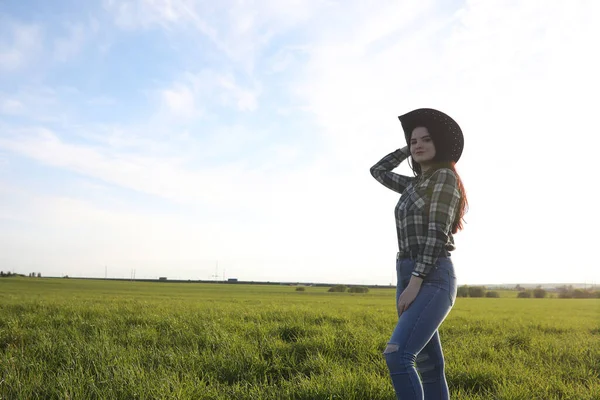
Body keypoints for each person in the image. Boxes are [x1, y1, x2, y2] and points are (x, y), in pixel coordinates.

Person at [369, 108, 468, 400]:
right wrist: (405, 148)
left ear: (439, 144)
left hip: (432, 275)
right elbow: (378, 171)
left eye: (426, 139)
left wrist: (415, 282)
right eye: (414, 141)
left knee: (397, 355)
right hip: (407, 270)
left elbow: (436, 233)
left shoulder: (444, 179)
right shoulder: (413, 185)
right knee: (430, 366)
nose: (418, 145)